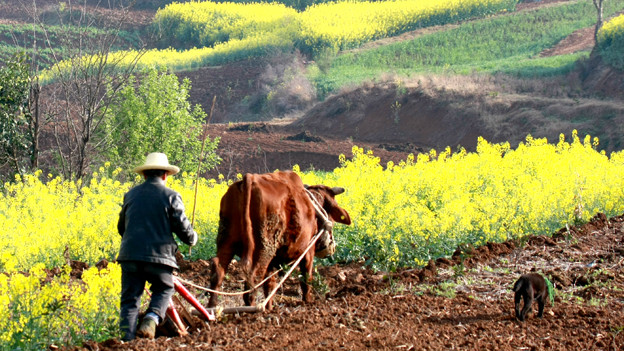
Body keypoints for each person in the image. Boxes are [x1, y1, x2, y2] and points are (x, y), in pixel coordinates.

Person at [117, 152, 198, 341]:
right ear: (165, 175)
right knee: (164, 288)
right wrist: (192, 238)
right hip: (159, 257)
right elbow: (183, 228)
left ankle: (124, 342)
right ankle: (152, 318)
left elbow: (122, 227)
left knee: (129, 301)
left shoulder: (130, 195)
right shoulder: (171, 196)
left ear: (144, 175)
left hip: (130, 256)